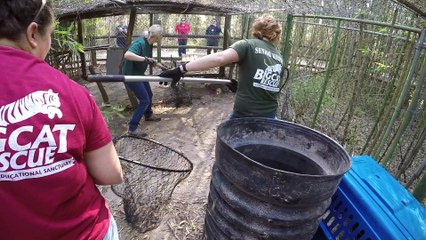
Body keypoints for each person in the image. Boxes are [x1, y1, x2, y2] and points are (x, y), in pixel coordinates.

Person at [0, 1, 123, 240]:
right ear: (33, 33)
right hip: (83, 232)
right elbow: (111, 174)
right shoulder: (70, 92)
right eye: (51, 35)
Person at [160, 14, 286, 119]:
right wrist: (241, 87)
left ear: (256, 30)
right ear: (277, 34)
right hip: (270, 115)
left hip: (246, 114)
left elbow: (219, 58)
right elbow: (268, 86)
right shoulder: (279, 57)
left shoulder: (248, 45)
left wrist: (181, 69)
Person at [122, 24, 163, 136]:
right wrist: (145, 59)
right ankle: (132, 128)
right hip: (131, 75)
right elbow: (128, 55)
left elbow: (149, 60)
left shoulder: (149, 45)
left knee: (149, 94)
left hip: (139, 74)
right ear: (157, 36)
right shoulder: (139, 43)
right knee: (144, 100)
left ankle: (148, 114)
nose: (162, 37)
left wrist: (161, 66)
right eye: (161, 35)